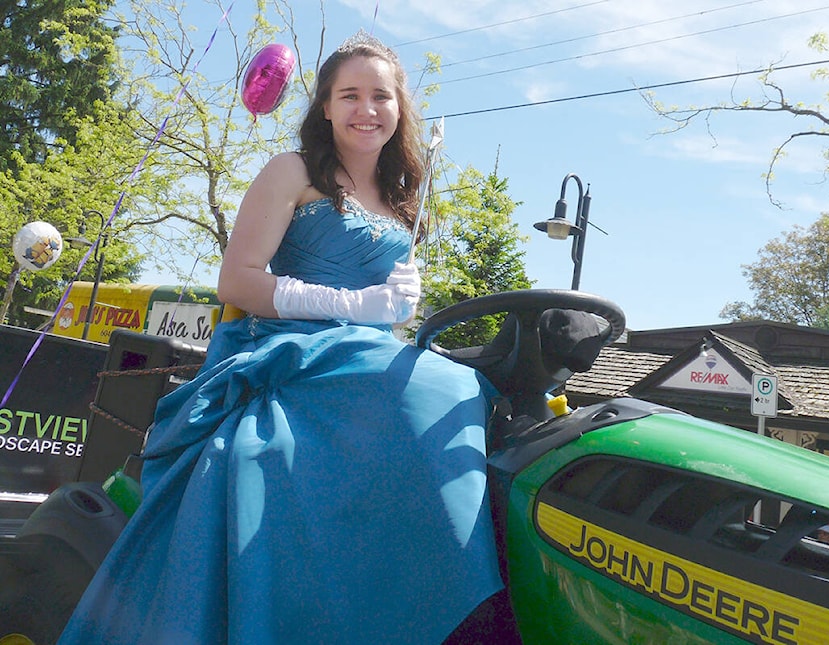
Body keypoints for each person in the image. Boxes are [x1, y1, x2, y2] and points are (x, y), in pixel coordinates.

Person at [59, 31, 512, 644]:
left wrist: (402, 305)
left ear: (399, 108)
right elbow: (237, 280)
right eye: (349, 95)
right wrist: (354, 305)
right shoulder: (292, 171)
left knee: (466, 387)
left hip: (364, 352)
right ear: (324, 106)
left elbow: (386, 313)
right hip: (283, 347)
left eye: (381, 96)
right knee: (439, 387)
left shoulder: (405, 200)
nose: (366, 109)